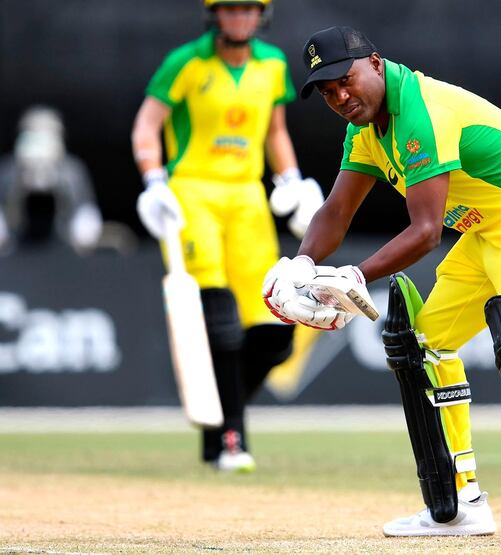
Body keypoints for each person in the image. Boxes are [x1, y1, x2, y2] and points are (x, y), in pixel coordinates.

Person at [263, 26, 501, 539]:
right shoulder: (365, 128)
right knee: (424, 345)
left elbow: (426, 231)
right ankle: (461, 504)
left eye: (345, 80)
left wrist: (352, 275)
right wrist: (302, 264)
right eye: (327, 92)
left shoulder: (421, 111)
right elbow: (337, 210)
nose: (341, 97)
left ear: (375, 62)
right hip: (485, 228)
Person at [131, 0, 323, 472]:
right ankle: (232, 441)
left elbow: (274, 131)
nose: (239, 18)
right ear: (214, 15)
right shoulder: (186, 62)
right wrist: (154, 180)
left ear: (262, 15)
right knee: (221, 324)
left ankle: (217, 424)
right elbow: (147, 126)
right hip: (191, 195)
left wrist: (291, 179)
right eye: (230, 9)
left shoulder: (272, 64)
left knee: (277, 333)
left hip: (248, 199)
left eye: (248, 9)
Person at [0, 106, 104, 255]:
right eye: (32, 134)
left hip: (63, 243)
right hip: (17, 247)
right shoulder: (8, 170)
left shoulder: (72, 171)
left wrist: (84, 235)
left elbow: (84, 206)